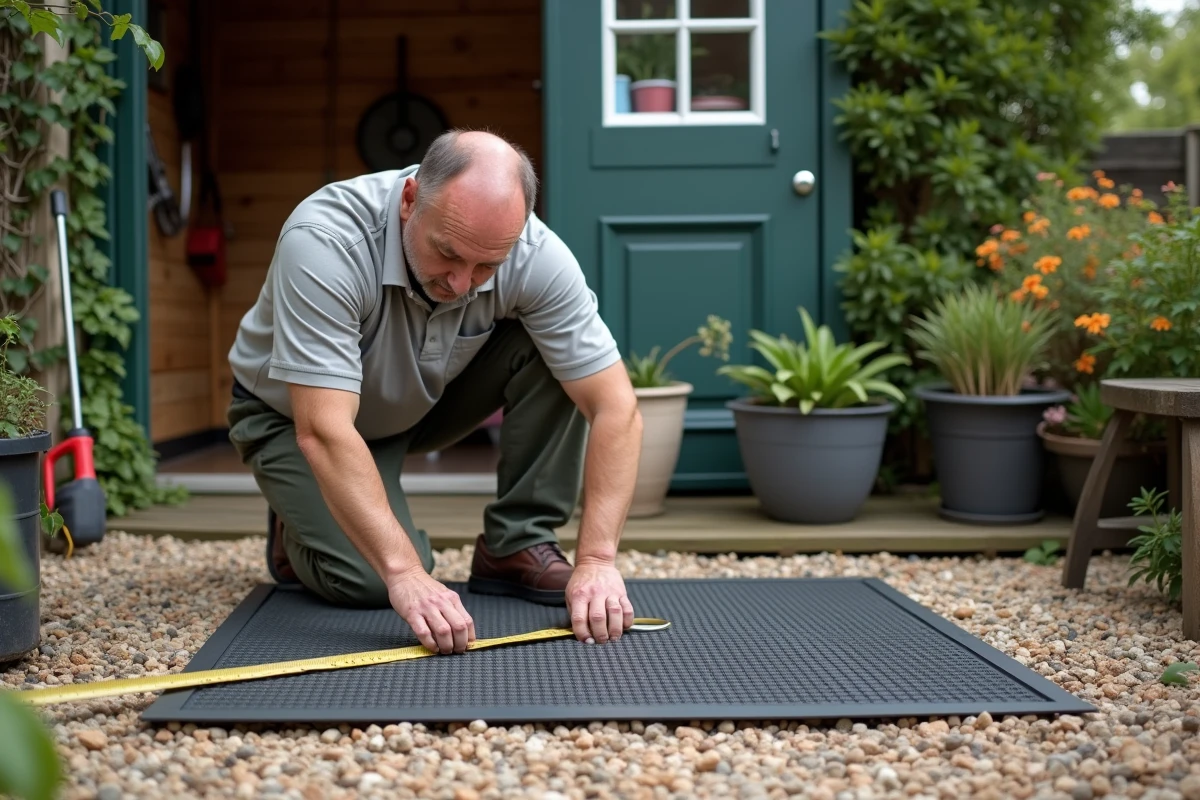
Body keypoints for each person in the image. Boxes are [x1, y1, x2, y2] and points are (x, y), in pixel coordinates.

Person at [225, 129, 643, 656]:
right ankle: (298, 526)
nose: (463, 283)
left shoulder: (534, 253)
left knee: (554, 354)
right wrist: (405, 573)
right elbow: (324, 428)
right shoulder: (326, 241)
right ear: (409, 201)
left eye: (487, 266)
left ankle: (517, 542)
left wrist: (598, 562)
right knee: (374, 582)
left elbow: (616, 408)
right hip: (296, 418)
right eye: (447, 253)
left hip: (422, 401)